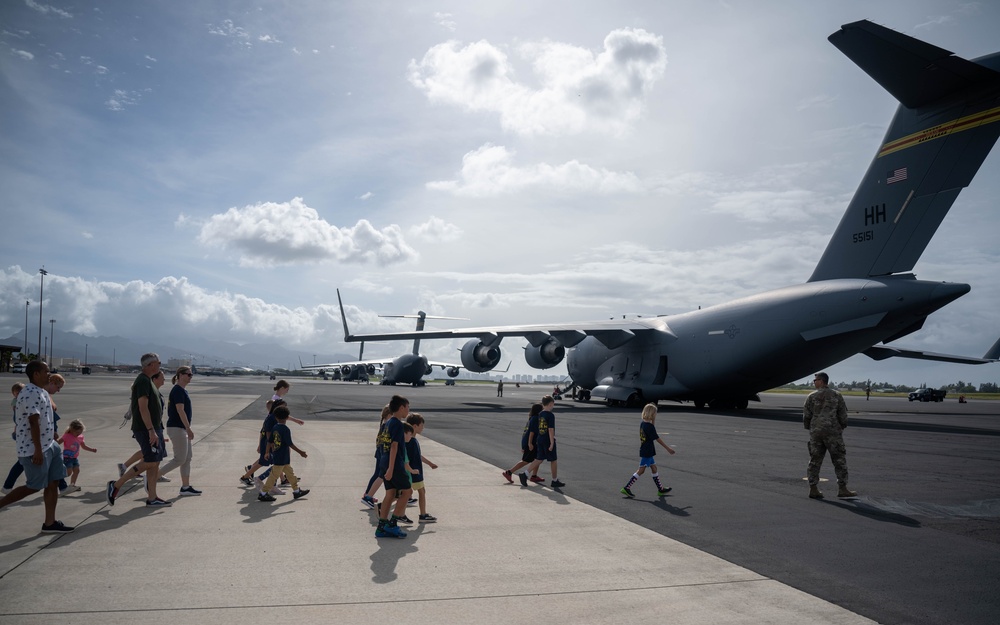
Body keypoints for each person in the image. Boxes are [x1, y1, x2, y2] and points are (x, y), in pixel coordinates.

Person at [0, 361, 74, 533]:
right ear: (36, 374)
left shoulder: (41, 391)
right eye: (46, 371)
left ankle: (50, 523)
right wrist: (38, 450)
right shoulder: (29, 393)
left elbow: (44, 418)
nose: (49, 374)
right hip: (34, 448)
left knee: (53, 482)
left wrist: (52, 434)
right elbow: (33, 421)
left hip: (50, 445)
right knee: (34, 485)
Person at [107, 353, 170, 508]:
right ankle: (116, 485)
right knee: (150, 461)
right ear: (150, 365)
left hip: (154, 428)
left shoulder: (147, 381)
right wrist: (151, 430)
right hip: (146, 428)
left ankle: (152, 497)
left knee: (155, 463)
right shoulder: (142, 381)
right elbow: (142, 408)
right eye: (158, 362)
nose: (160, 365)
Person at [804, 372, 857, 499]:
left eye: (815, 380)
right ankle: (842, 488)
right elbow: (843, 415)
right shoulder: (837, 395)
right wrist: (841, 426)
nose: (814, 382)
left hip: (816, 433)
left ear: (822, 381)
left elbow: (806, 416)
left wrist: (811, 428)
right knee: (839, 460)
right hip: (833, 432)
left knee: (815, 460)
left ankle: (813, 488)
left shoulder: (811, 396)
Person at [159, 366, 200, 495]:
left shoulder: (182, 390)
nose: (190, 377)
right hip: (177, 427)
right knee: (179, 459)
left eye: (191, 375)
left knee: (187, 458)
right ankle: (152, 477)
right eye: (189, 374)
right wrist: (188, 429)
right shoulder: (177, 390)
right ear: (181, 375)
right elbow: (180, 410)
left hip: (180, 428)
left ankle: (185, 487)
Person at [375, 395, 412, 538]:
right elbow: (394, 446)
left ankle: (381, 527)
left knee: (390, 494)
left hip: (384, 461)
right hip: (394, 465)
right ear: (401, 407)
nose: (408, 411)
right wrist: (391, 468)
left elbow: (381, 444)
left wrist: (384, 464)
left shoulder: (388, 423)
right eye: (407, 407)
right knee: (407, 492)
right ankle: (392, 524)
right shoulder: (397, 423)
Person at [620, 404, 675, 498]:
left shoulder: (643, 423)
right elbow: (657, 438)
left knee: (654, 468)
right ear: (652, 414)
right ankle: (627, 487)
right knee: (641, 470)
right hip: (647, 451)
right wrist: (668, 448)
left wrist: (653, 421)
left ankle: (660, 489)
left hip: (646, 449)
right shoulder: (649, 426)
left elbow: (652, 432)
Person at [256, 405, 309, 502]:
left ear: (276, 417)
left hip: (280, 456)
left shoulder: (275, 427)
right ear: (286, 417)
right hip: (282, 457)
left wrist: (267, 452)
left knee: (290, 474)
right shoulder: (285, 429)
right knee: (273, 476)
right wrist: (301, 452)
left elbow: (269, 441)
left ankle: (296, 491)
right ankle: (263, 493)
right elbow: (290, 444)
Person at [405, 413, 438, 522]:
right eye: (421, 425)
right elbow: (410, 458)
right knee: (421, 491)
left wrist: (429, 463)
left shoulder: (410, 440)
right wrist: (412, 470)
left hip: (412, 471)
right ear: (415, 426)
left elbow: (418, 456)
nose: (423, 428)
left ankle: (384, 507)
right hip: (414, 472)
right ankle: (423, 515)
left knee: (405, 493)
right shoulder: (412, 442)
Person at [527, 395, 564, 488]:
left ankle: (525, 473)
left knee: (539, 458)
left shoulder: (540, 414)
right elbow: (550, 429)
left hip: (540, 438)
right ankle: (554, 480)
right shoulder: (550, 415)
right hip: (547, 439)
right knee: (553, 460)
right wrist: (552, 442)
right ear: (551, 404)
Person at [502, 403, 542, 486]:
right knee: (526, 461)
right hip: (531, 443)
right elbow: (532, 432)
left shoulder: (532, 418)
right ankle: (509, 472)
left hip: (531, 442)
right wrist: (530, 443)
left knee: (537, 459)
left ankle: (534, 475)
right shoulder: (535, 419)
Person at [361, 404, 391, 509]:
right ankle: (367, 496)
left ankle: (368, 494)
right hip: (382, 453)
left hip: (379, 452)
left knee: (376, 474)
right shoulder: (387, 424)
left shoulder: (384, 423)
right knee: (378, 475)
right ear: (388, 415)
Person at [59, 419, 97, 492]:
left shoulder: (80, 437)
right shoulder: (67, 436)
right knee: (69, 472)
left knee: (77, 470)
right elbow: (58, 442)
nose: (78, 434)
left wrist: (91, 449)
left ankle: (72, 485)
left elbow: (83, 446)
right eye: (77, 432)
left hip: (74, 458)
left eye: (80, 432)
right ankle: (57, 479)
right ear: (72, 430)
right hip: (67, 457)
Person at [2, 382, 26, 493]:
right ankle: (8, 486)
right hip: (21, 434)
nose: (19, 394)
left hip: (20, 432)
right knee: (23, 461)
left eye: (21, 391)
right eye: (17, 392)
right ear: (13, 394)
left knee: (25, 461)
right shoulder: (17, 402)